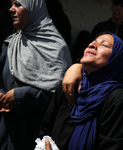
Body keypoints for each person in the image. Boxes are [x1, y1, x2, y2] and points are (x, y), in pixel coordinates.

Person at [37, 32, 123, 150]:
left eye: (104, 45)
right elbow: (45, 130)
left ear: (116, 59)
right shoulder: (70, 86)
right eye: (92, 42)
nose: (92, 45)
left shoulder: (118, 100)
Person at [0, 0, 72, 149]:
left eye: (18, 4)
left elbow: (60, 96)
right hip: (5, 129)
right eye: (11, 4)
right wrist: (1, 94)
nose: (11, 9)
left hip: (32, 133)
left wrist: (20, 96)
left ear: (34, 9)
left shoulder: (57, 49)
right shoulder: (10, 43)